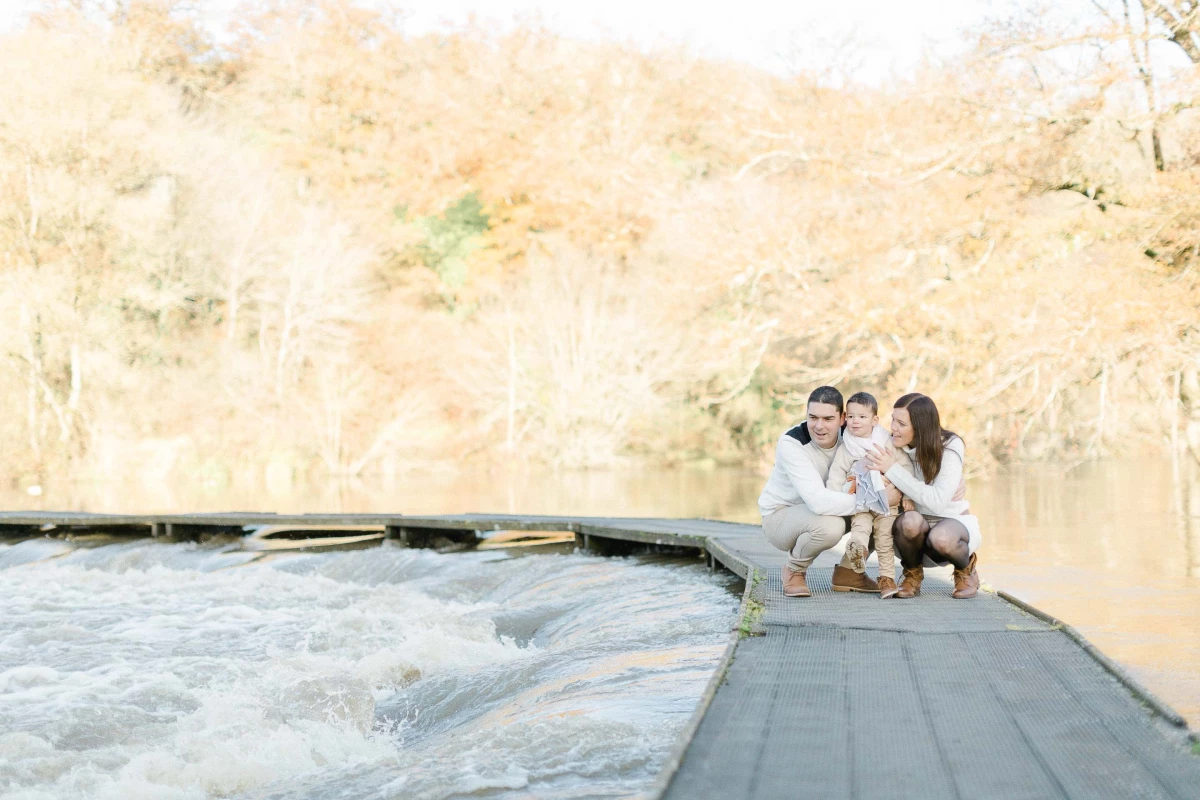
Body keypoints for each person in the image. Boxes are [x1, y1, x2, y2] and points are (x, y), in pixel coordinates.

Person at [758, 385, 883, 597]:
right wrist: (872, 501)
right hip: (781, 517)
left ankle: (849, 572)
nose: (818, 426)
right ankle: (794, 570)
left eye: (827, 419)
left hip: (830, 507)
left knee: (886, 514)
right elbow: (817, 502)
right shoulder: (792, 443)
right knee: (832, 526)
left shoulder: (854, 435)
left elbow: (889, 444)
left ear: (842, 418)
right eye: (813, 417)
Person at [864, 392, 982, 599]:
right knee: (909, 521)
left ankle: (965, 570)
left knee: (942, 537)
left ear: (920, 428)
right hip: (910, 534)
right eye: (893, 419)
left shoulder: (950, 447)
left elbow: (937, 502)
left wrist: (892, 471)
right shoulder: (888, 444)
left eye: (901, 423)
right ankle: (912, 574)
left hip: (952, 525)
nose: (893, 428)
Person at [826, 391, 913, 598]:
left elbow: (906, 468)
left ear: (875, 420)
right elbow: (836, 475)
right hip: (860, 501)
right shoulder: (846, 447)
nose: (856, 422)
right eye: (851, 416)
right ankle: (858, 550)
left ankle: (886, 579)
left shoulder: (887, 442)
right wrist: (836, 496)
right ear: (845, 417)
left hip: (887, 504)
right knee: (860, 528)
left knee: (884, 540)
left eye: (862, 417)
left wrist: (907, 496)